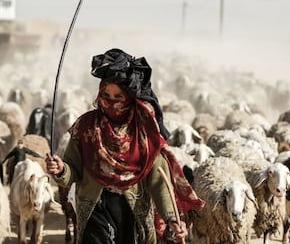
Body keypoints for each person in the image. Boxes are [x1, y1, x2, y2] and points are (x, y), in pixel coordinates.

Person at [46, 48, 205, 244]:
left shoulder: (143, 131)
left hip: (132, 210)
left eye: (118, 97)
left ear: (129, 99)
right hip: (95, 208)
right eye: (106, 95)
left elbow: (158, 181)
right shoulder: (86, 127)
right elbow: (72, 171)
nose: (111, 102)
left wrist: (171, 218)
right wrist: (61, 169)